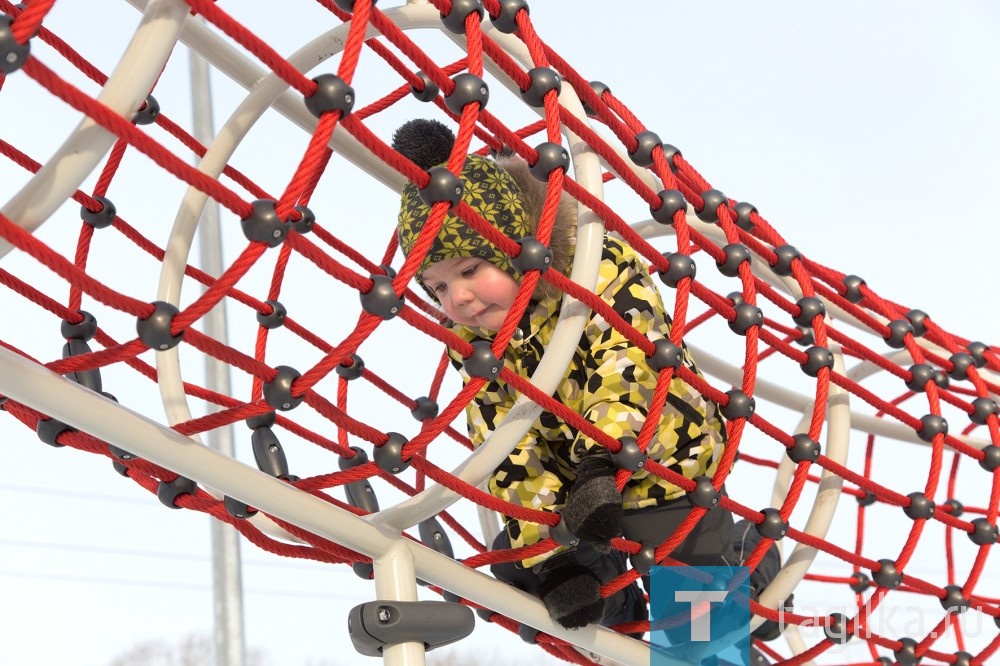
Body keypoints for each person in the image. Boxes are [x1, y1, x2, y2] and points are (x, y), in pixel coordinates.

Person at [392, 118, 781, 645]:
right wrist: (552, 561)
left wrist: (604, 460)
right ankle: (618, 600)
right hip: (572, 484)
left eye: (470, 268)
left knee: (699, 620)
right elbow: (505, 443)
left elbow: (631, 366)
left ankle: (750, 568)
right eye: (436, 287)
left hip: (661, 460)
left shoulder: (595, 269)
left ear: (519, 242)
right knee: (533, 581)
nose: (456, 298)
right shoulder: (473, 341)